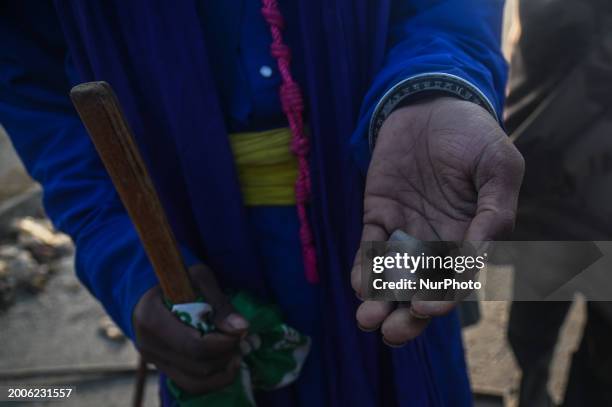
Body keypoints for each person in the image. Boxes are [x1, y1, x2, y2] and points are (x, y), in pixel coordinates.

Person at [0, 0, 524, 405]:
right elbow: (33, 86)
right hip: (193, 242)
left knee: (412, 354)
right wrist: (125, 263)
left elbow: (452, 12)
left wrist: (437, 85)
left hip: (391, 204)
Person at [505, 0, 612, 405]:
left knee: (601, 360)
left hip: (556, 185)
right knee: (532, 327)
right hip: (552, 185)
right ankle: (531, 390)